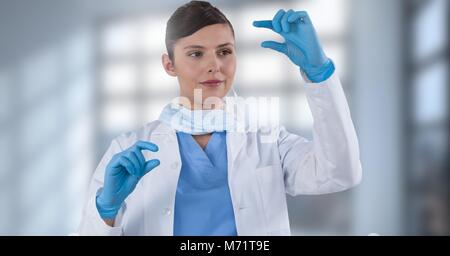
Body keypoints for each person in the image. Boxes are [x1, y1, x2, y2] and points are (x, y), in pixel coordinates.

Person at [78, 0, 362, 236]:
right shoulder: (129, 149)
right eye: (196, 54)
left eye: (224, 52)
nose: (214, 65)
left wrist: (319, 72)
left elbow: (340, 173)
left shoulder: (267, 140)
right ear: (169, 65)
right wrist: (106, 208)